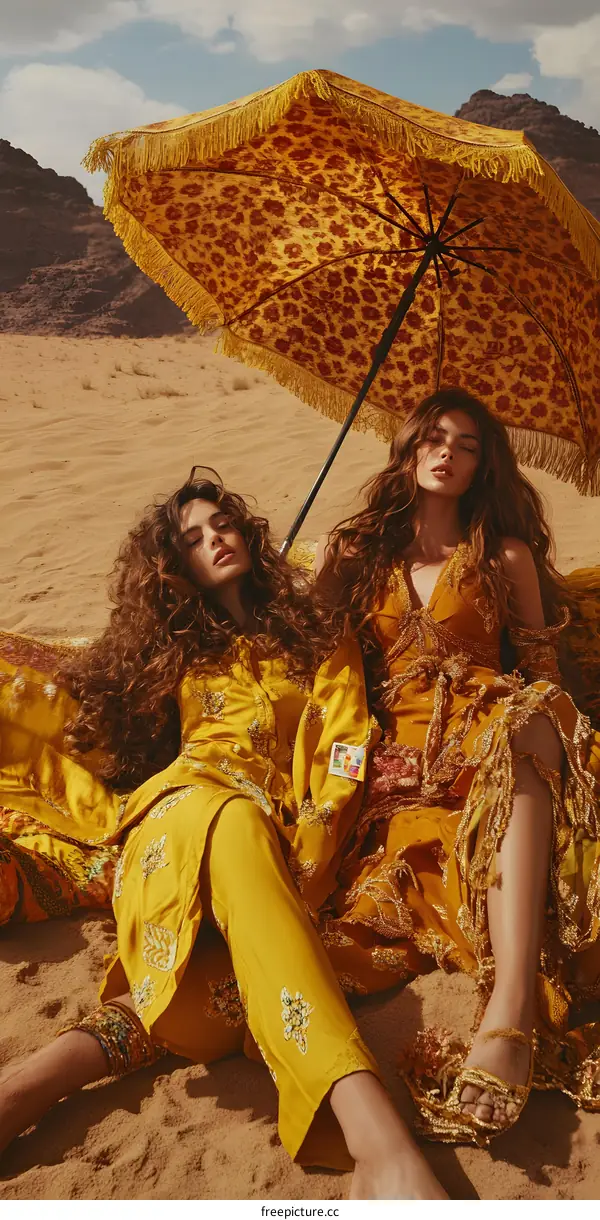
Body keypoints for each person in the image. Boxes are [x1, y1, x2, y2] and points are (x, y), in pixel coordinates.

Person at [0, 469, 446, 1200]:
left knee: (202, 1002)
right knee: (234, 818)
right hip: (181, 818)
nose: (215, 540)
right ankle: (380, 1144)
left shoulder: (314, 635)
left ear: (247, 532)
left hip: (275, 844)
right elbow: (67, 721)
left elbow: (344, 744)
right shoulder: (170, 652)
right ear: (173, 568)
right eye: (193, 540)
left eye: (223, 524)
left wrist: (313, 848)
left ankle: (24, 1086)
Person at [315, 388, 600, 1148]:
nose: (447, 453)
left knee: (526, 720)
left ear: (483, 466)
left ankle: (511, 1011)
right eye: (435, 438)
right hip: (398, 762)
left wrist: (543, 725)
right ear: (409, 449)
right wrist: (319, 573)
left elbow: (543, 670)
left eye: (467, 445)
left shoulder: (504, 556)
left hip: (494, 730)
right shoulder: (360, 553)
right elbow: (312, 657)